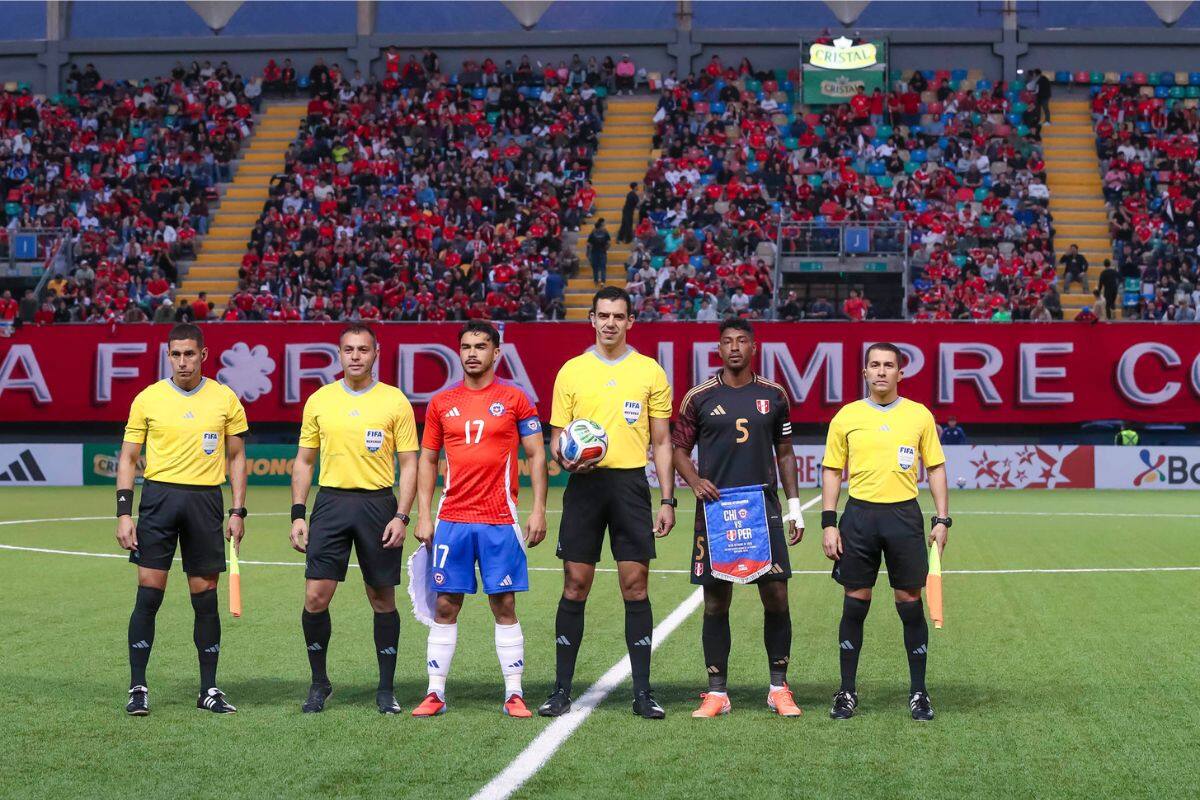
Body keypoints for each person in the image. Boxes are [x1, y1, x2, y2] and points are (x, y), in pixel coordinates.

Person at [539, 286, 676, 719]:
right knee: (575, 584)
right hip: (584, 488)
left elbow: (662, 440)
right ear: (592, 320)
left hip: (631, 487)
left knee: (635, 585)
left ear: (630, 321)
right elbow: (557, 436)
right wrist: (563, 457)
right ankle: (561, 689)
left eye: (619, 316)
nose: (611, 323)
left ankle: (642, 692)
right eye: (603, 315)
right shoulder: (572, 371)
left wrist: (668, 498)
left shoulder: (650, 371)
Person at [411, 321, 549, 719]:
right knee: (446, 606)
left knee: (504, 604)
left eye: (481, 346)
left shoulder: (515, 399)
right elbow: (428, 459)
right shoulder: (440, 403)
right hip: (451, 519)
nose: (472, 353)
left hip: (499, 520)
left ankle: (514, 693)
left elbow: (537, 455)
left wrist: (538, 509)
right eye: (467, 346)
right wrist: (423, 514)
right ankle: (435, 693)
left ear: (496, 352)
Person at [672, 319, 806, 718]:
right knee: (715, 601)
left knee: (777, 596)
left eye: (741, 341)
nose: (734, 348)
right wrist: (694, 481)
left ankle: (779, 688)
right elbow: (678, 450)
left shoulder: (774, 395)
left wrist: (795, 507)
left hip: (762, 511)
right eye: (727, 342)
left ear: (754, 347)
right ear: (718, 349)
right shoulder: (698, 397)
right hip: (715, 512)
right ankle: (717, 692)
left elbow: (784, 452)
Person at [115, 323, 248, 715]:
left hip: (205, 501)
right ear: (167, 355)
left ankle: (209, 689)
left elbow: (237, 457)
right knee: (149, 593)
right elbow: (127, 457)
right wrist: (125, 513)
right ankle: (138, 687)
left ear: (204, 355)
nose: (183, 361)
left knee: (205, 598)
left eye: (190, 353)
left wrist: (237, 510)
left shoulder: (225, 399)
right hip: (158, 499)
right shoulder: (148, 399)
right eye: (176, 354)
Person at [289, 324, 419, 715]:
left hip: (378, 506)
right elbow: (305, 461)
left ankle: (385, 688)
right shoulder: (320, 401)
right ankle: (319, 683)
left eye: (363, 349)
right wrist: (298, 513)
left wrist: (402, 515)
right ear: (340, 354)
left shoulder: (395, 402)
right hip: (330, 504)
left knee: (381, 598)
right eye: (349, 349)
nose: (356, 356)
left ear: (376, 353)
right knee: (315, 597)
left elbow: (410, 463)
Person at [820, 342, 950, 722]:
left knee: (909, 605)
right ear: (864, 372)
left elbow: (936, 467)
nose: (881, 371)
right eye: (874, 365)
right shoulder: (847, 416)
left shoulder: (919, 416)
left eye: (888, 365)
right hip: (859, 516)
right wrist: (829, 522)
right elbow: (831, 470)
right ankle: (846, 691)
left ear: (900, 372)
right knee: (854, 603)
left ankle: (919, 693)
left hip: (904, 517)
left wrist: (942, 520)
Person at [587, 218, 611, 285]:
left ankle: (596, 280)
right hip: (601, 252)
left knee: (596, 267)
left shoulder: (593, 232)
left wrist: (589, 251)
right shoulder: (605, 232)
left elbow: (588, 243)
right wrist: (606, 249)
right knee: (602, 267)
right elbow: (609, 242)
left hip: (595, 252)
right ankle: (602, 281)